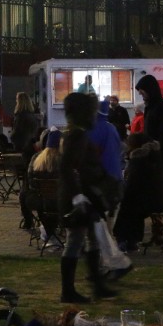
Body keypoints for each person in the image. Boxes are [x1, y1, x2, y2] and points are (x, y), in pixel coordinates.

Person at [58, 92, 117, 303]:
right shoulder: (78, 135)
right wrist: (78, 198)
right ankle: (69, 291)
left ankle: (97, 285)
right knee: (75, 241)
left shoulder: (74, 133)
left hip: (83, 194)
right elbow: (67, 167)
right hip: (80, 196)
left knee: (92, 238)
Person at [113, 132, 163, 252]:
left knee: (127, 209)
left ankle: (124, 240)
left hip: (149, 202)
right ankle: (133, 241)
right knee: (133, 209)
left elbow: (132, 186)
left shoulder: (138, 160)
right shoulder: (155, 156)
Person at [19, 129, 62, 231]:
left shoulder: (36, 158)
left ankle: (46, 229)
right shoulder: (64, 160)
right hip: (60, 201)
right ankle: (55, 229)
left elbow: (31, 181)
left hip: (40, 201)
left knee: (30, 195)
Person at [135, 75, 163, 175]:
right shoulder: (150, 106)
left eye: (142, 91)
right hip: (152, 155)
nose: (140, 93)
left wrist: (155, 148)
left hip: (161, 157)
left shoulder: (161, 106)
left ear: (150, 89)